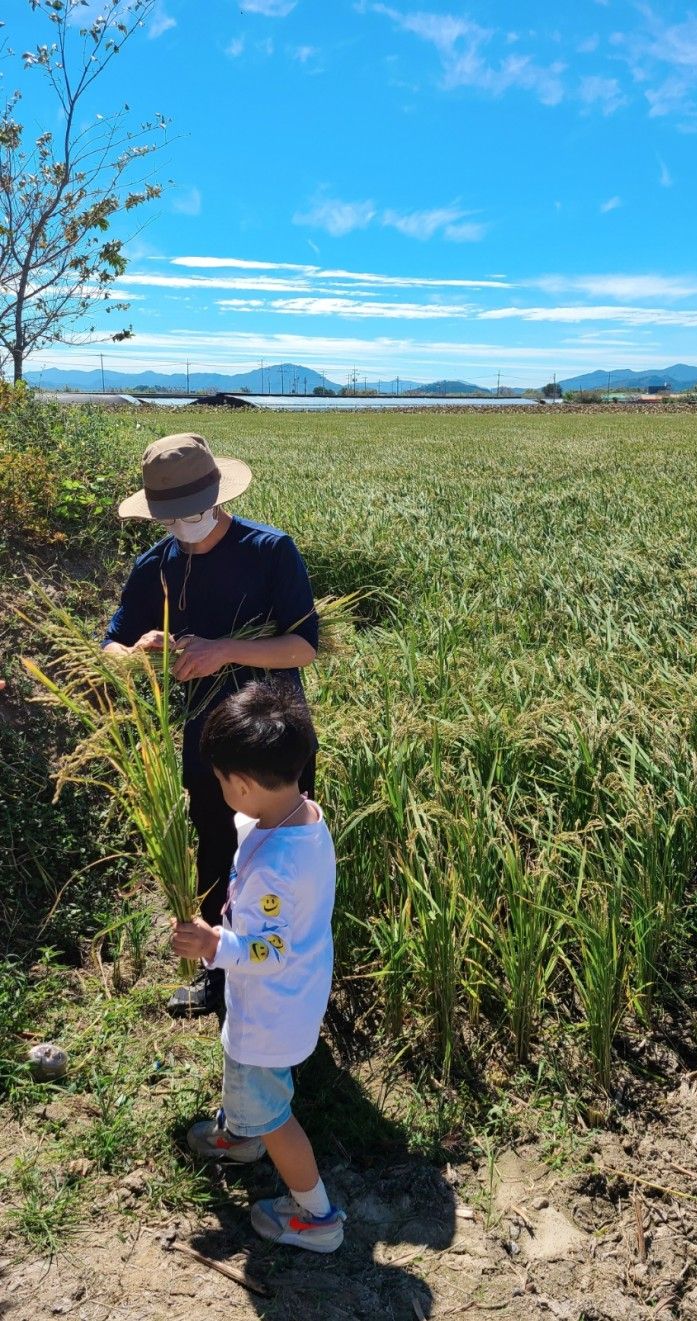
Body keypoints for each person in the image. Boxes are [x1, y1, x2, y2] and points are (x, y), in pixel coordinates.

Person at [103, 432, 318, 1017]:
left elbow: (302, 647)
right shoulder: (155, 567)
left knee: (281, 856)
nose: (184, 527)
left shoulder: (270, 551)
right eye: (170, 519)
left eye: (193, 514)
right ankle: (221, 978)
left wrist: (224, 650)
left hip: (274, 737)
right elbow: (110, 647)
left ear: (219, 495)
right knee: (216, 849)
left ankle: (292, 969)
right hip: (205, 744)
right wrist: (142, 650)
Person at [170, 680, 346, 1253]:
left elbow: (268, 951)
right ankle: (238, 1132)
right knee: (254, 1087)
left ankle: (316, 1215)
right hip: (295, 996)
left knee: (275, 1113)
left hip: (269, 1012)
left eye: (222, 782)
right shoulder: (302, 815)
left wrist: (213, 945)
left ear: (243, 785)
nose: (221, 789)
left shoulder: (275, 870)